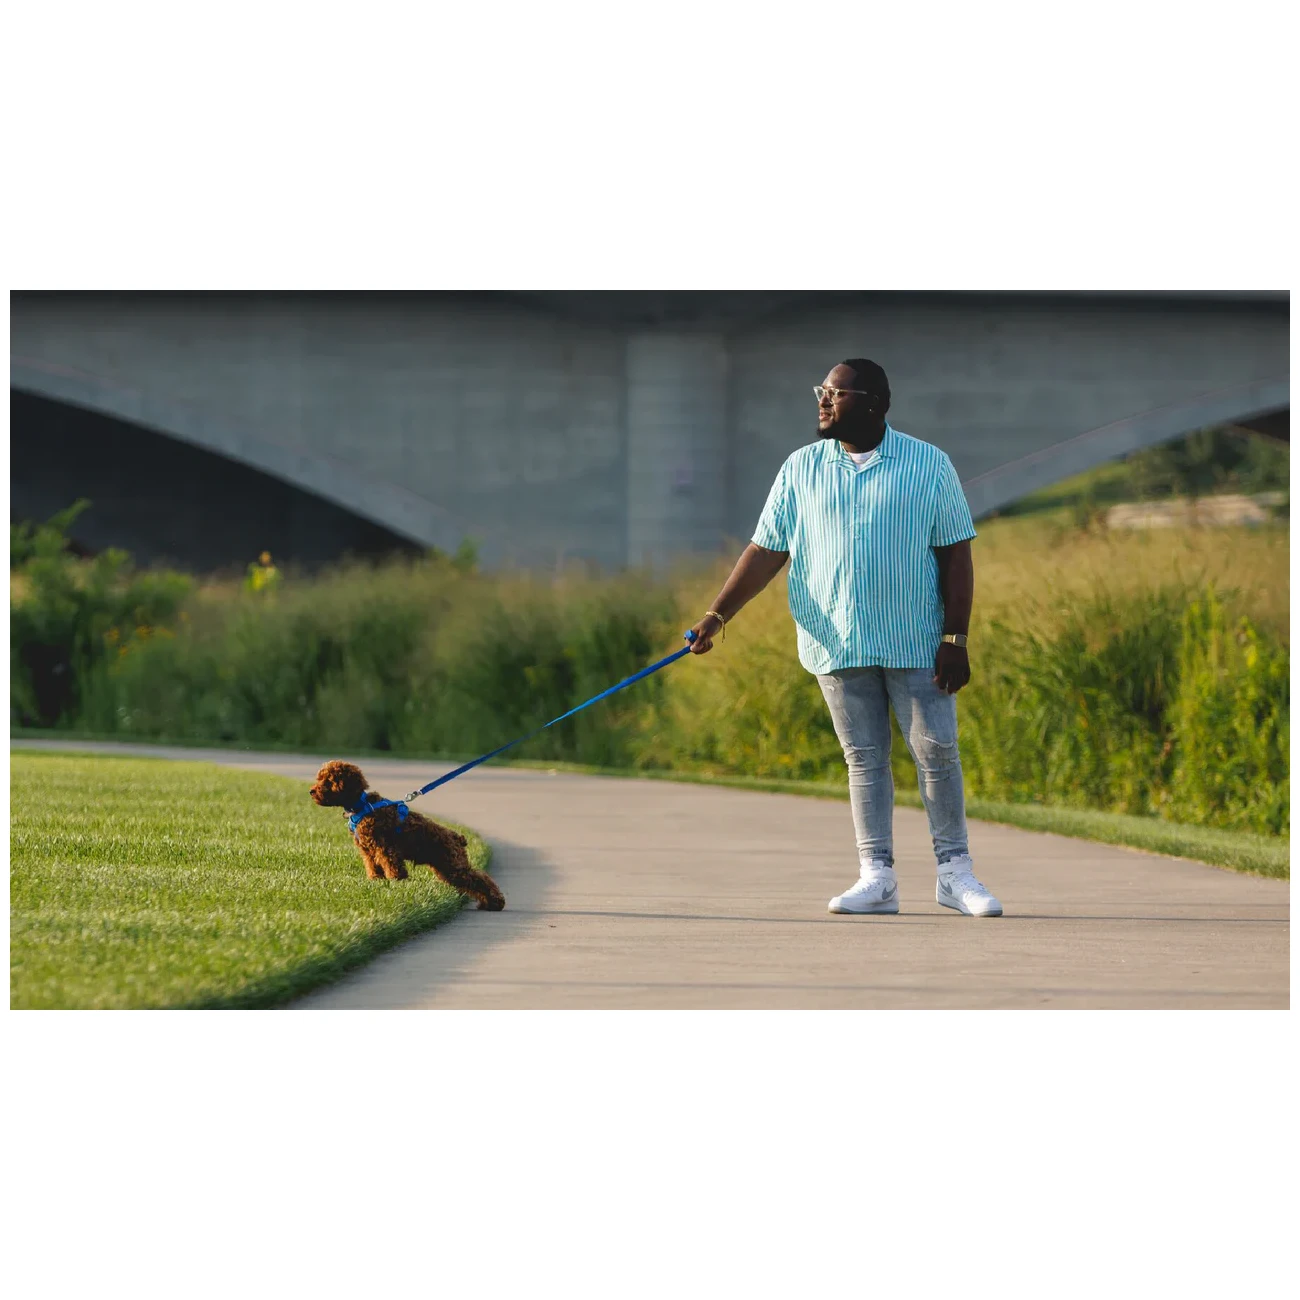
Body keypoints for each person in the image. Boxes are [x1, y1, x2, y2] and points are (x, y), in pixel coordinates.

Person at [689, 358, 1002, 918]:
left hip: (915, 638)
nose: (823, 401)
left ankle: (955, 874)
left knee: (936, 752)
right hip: (836, 639)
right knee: (864, 758)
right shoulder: (801, 467)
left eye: (836, 393)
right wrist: (718, 614)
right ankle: (876, 877)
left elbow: (956, 553)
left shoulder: (929, 464)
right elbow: (766, 550)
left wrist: (956, 636)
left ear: (875, 403)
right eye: (822, 391)